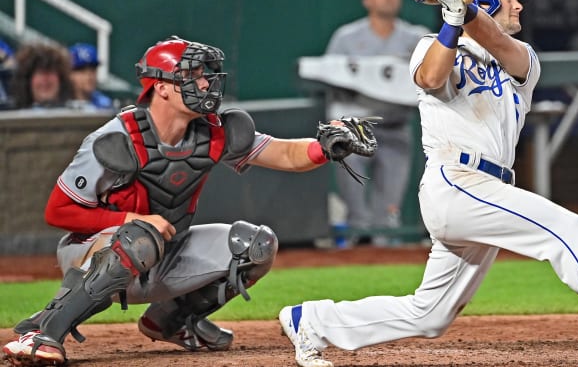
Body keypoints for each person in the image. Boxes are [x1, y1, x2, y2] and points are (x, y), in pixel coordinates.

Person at [278, 0, 578, 367]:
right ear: (485, 2)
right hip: (455, 181)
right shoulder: (431, 46)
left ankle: (311, 321)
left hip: (487, 187)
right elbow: (431, 79)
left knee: (429, 315)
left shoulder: (521, 57)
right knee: (566, 229)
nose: (519, 4)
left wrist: (461, 8)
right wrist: (452, 16)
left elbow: (500, 45)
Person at [1, 36, 376, 366]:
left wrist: (325, 146)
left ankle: (169, 322)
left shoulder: (212, 131)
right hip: (91, 252)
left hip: (163, 249)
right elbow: (58, 211)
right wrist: (133, 218)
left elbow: (281, 153)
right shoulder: (116, 138)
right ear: (161, 88)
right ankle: (44, 332)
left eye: (204, 73)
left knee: (255, 245)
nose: (205, 82)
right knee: (139, 237)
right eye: (193, 75)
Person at [324, 0, 429, 245]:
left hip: (395, 127)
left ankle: (384, 255)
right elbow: (328, 80)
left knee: (387, 210)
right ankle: (351, 256)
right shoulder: (346, 37)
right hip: (355, 128)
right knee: (357, 210)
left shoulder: (417, 36)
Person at [8, 42, 72, 109]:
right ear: (27, 81)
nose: (45, 79)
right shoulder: (10, 116)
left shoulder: (76, 113)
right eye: (40, 73)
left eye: (50, 72)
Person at [67, 42, 115, 111]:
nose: (89, 76)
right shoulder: (59, 102)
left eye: (92, 70)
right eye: (82, 71)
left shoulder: (105, 104)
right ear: (69, 74)